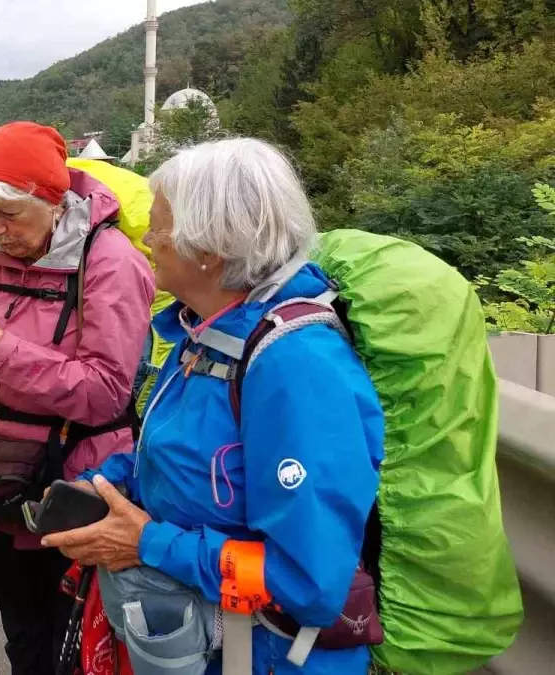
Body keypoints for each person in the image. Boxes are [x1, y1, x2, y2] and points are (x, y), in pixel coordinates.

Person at [42, 138, 385, 674]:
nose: (147, 239)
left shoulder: (295, 366)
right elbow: (174, 453)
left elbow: (309, 582)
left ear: (211, 249)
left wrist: (150, 543)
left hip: (268, 656)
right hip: (213, 645)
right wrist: (104, 485)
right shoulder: (204, 333)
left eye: (159, 227)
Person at [0, 121, 156, 675]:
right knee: (23, 635)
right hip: (1, 481)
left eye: (9, 215)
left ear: (52, 200)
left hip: (75, 485)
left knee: (74, 640)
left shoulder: (111, 261)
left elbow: (104, 392)